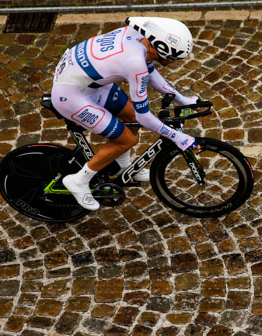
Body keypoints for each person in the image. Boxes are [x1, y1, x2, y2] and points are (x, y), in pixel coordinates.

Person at [51, 17, 200, 210]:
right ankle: (78, 181)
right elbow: (144, 116)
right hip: (71, 96)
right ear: (163, 49)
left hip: (87, 83)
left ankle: (123, 166)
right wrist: (178, 137)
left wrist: (182, 99)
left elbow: (151, 72)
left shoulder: (139, 37)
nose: (175, 63)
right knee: (127, 139)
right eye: (175, 58)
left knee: (129, 117)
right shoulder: (135, 63)